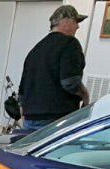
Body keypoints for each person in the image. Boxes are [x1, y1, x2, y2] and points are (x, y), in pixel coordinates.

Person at [18, 5, 90, 133]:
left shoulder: (36, 50)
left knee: (29, 153)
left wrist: (25, 112)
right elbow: (70, 82)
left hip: (30, 119)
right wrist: (85, 95)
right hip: (56, 119)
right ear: (66, 21)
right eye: (76, 22)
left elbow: (23, 88)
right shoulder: (70, 43)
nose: (78, 26)